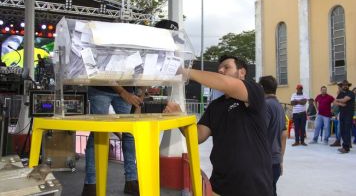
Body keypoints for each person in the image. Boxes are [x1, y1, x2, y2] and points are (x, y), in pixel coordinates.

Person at [164, 55, 273, 196]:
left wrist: (185, 71)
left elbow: (224, 83)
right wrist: (178, 115)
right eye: (219, 69)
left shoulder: (254, 92)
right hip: (219, 186)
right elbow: (197, 136)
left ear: (242, 72)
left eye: (226, 67)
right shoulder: (215, 106)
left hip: (253, 186)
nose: (221, 71)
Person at [82, 86, 142, 196]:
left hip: (126, 89)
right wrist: (124, 92)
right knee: (98, 132)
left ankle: (131, 181)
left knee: (129, 133)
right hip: (101, 87)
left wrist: (139, 96)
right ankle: (91, 183)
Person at [259, 75, 287, 196]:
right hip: (274, 161)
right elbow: (284, 134)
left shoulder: (265, 105)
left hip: (264, 161)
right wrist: (280, 159)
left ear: (261, 88)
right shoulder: (279, 106)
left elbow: (259, 132)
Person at [334, 80, 355, 153]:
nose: (345, 86)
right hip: (342, 113)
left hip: (348, 114)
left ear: (348, 86)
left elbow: (344, 100)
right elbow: (335, 102)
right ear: (342, 86)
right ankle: (347, 145)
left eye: (346, 85)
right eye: (343, 85)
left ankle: (345, 148)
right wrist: (341, 104)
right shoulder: (341, 93)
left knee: (346, 130)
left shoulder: (351, 93)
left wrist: (339, 101)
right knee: (342, 130)